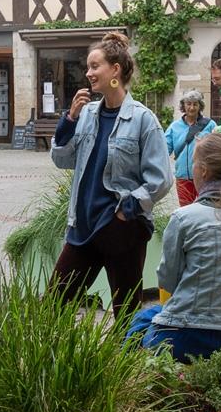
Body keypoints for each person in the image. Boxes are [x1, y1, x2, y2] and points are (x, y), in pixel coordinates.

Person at [50, 32, 173, 318]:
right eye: (88, 67)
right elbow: (62, 159)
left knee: (125, 311)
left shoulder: (144, 119)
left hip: (122, 229)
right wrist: (69, 120)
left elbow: (160, 179)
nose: (88, 73)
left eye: (95, 66)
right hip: (83, 228)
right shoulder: (88, 113)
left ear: (115, 70)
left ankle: (126, 361)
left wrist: (126, 211)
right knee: (55, 302)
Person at [131, 132, 221, 363]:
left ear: (203, 171)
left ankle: (128, 386)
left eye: (193, 163)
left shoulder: (184, 218)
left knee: (140, 322)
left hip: (185, 334)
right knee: (148, 317)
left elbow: (168, 281)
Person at [164, 90, 216, 206]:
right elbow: (164, 150)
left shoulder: (210, 125)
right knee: (185, 210)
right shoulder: (174, 127)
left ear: (200, 106)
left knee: (206, 209)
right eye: (188, 104)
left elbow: (217, 149)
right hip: (183, 177)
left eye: (195, 104)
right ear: (183, 105)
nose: (191, 108)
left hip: (205, 176)